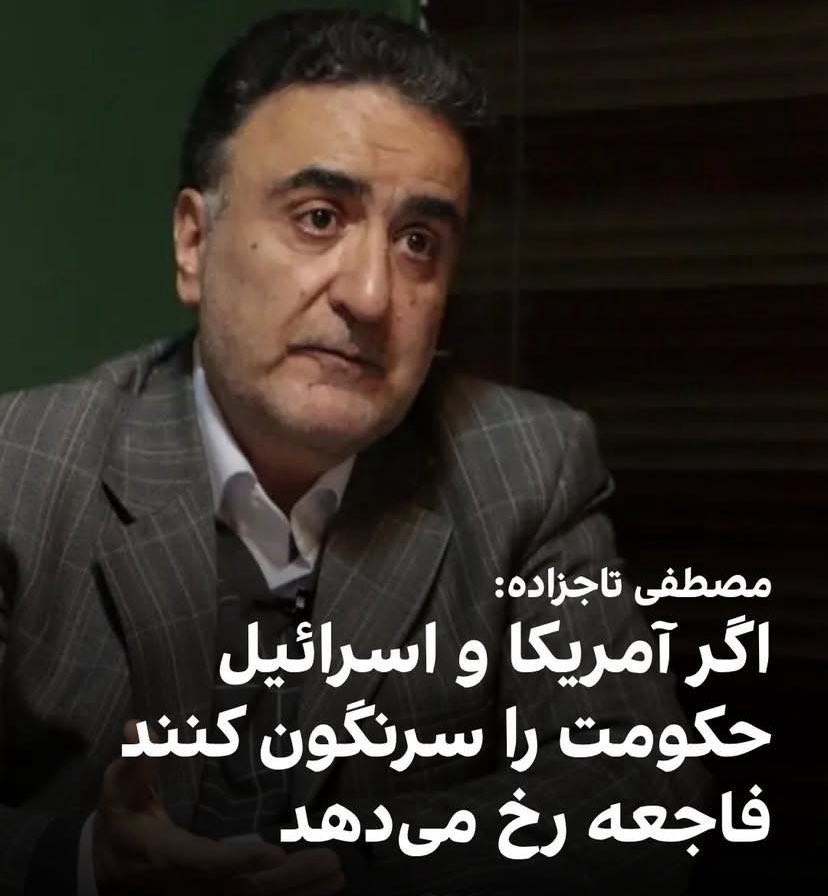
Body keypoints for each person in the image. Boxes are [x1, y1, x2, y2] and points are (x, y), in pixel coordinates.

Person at [0, 10, 710, 896]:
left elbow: (637, 795)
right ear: (193, 242)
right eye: (318, 217)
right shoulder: (22, 469)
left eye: (419, 242)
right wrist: (85, 867)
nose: (372, 295)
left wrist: (355, 870)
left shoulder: (525, 467)